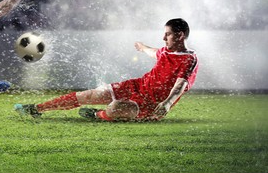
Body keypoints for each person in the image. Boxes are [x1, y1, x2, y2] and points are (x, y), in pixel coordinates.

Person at [14, 18, 199, 121]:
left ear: (180, 35)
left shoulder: (189, 60)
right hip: (136, 86)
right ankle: (36, 108)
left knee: (117, 108)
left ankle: (97, 114)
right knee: (90, 94)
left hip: (151, 105)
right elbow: (155, 52)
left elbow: (180, 85)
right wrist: (142, 47)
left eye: (167, 34)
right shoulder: (166, 50)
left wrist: (167, 103)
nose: (163, 37)